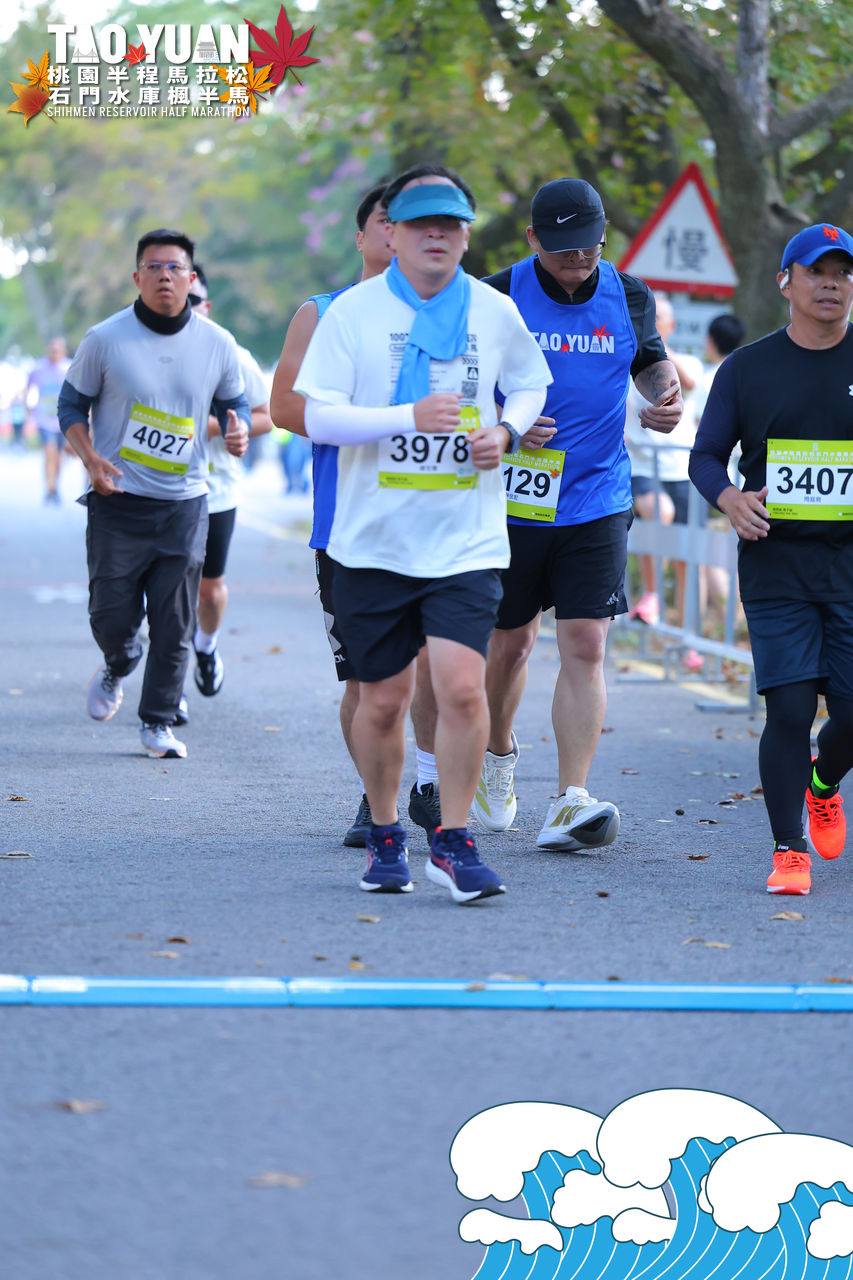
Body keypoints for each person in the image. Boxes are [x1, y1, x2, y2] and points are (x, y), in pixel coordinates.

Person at [293, 167, 551, 901]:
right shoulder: (353, 313)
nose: (436, 234)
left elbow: (530, 383)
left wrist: (507, 428)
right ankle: (385, 834)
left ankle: (453, 841)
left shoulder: (494, 311)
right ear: (394, 233)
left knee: (462, 691)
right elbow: (315, 415)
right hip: (372, 542)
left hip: (465, 539)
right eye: (421, 222)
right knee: (382, 702)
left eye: (451, 223)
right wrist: (406, 417)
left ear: (466, 236)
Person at [476, 178, 682, 849]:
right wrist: (505, 420)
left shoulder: (628, 294)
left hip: (597, 494)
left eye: (588, 245)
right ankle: (497, 754)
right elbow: (460, 381)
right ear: (532, 239)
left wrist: (665, 396)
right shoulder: (497, 295)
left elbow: (649, 362)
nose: (578, 258)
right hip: (514, 496)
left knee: (587, 643)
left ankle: (570, 798)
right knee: (509, 644)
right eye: (562, 247)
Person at [270, 180, 444, 849]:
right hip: (350, 526)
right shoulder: (323, 314)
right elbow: (285, 408)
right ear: (364, 235)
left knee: (437, 665)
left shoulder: (455, 312)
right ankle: (377, 797)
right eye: (386, 221)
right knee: (372, 678)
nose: (400, 233)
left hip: (436, 520)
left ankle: (430, 782)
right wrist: (382, 419)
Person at [689, 221, 853, 896]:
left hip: (849, 567)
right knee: (788, 708)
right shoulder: (747, 368)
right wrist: (729, 498)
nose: (831, 284)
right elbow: (704, 456)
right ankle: (789, 850)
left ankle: (823, 783)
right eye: (817, 272)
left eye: (842, 273)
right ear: (786, 282)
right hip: (775, 563)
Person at [57, 228, 250, 759]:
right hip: (116, 498)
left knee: (175, 618)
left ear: (191, 279)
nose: (165, 276)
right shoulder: (105, 339)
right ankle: (119, 661)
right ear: (137, 277)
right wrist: (91, 459)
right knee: (111, 614)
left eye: (175, 267)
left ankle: (158, 721)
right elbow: (70, 406)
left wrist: (237, 430)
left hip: (185, 503)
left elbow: (235, 406)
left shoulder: (218, 343)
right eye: (154, 267)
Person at [186, 263, 273, 704]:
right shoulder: (140, 351)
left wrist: (211, 427)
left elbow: (266, 416)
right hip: (156, 490)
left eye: (193, 300)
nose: (184, 307)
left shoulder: (231, 354)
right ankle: (167, 688)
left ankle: (205, 647)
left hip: (216, 490)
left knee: (208, 590)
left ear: (207, 305)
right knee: (165, 589)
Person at [625, 294, 705, 667]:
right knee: (659, 511)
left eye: (660, 318)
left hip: (681, 469)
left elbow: (686, 382)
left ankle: (689, 639)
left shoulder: (687, 361)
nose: (653, 322)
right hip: (642, 466)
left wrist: (656, 346)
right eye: (648, 318)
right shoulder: (629, 364)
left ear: (671, 325)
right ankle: (652, 596)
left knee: (689, 559)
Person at [27, 336, 71, 503]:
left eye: (57, 350)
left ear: (63, 352)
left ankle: (55, 486)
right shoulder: (38, 368)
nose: (54, 353)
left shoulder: (69, 368)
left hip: (63, 420)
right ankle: (49, 487)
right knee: (49, 452)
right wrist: (28, 409)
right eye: (52, 350)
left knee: (59, 457)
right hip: (44, 420)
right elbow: (28, 388)